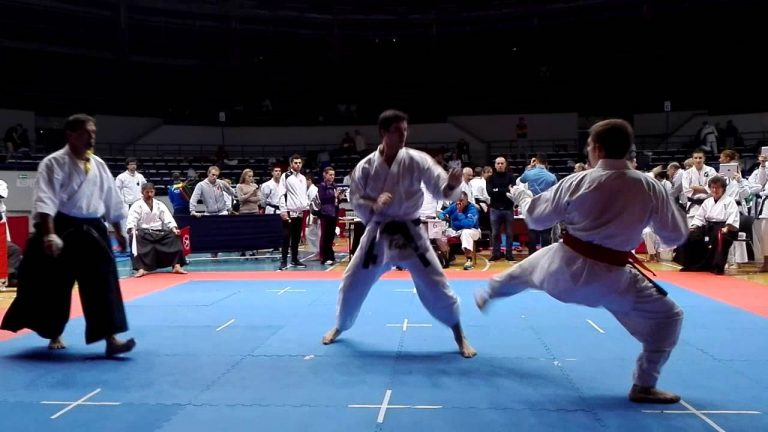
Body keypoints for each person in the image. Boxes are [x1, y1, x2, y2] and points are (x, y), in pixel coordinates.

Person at [475, 119, 687, 403]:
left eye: (588, 146)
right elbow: (673, 236)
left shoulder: (577, 181)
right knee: (669, 318)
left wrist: (524, 196)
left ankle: (490, 291)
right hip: (612, 282)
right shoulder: (650, 187)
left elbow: (537, 219)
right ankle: (644, 385)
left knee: (526, 270)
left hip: (562, 271)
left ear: (596, 149)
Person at [321, 109, 476, 358]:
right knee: (352, 282)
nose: (403, 135)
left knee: (436, 282)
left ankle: (459, 333)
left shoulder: (417, 159)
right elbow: (355, 198)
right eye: (397, 130)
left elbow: (440, 189)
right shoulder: (366, 166)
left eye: (405, 129)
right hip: (378, 233)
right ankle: (341, 325)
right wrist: (374, 204)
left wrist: (453, 184)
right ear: (383, 132)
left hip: (410, 232)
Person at [0, 114, 136, 357]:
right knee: (54, 285)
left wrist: (119, 230)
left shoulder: (99, 165)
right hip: (60, 226)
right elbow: (45, 201)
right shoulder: (53, 163)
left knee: (103, 282)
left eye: (93, 133)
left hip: (93, 228)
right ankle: (54, 333)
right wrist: (50, 236)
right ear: (70, 135)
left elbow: (111, 201)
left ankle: (110, 338)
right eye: (86, 133)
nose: (91, 138)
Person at [674, 176, 739, 275]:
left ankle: (717, 266)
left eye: (717, 188)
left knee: (720, 237)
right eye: (712, 187)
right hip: (708, 226)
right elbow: (700, 217)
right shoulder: (707, 201)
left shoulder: (730, 201)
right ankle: (693, 265)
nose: (714, 190)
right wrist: (694, 226)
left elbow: (733, 217)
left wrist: (727, 227)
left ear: (723, 189)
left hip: (725, 228)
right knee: (690, 236)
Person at [127, 182, 188, 277]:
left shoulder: (159, 204)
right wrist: (132, 229)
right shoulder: (137, 205)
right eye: (147, 192)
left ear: (154, 192)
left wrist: (174, 228)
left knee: (174, 235)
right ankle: (141, 269)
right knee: (135, 237)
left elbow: (168, 218)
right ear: (142, 192)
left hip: (159, 232)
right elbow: (132, 219)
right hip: (144, 233)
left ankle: (176, 266)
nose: (149, 194)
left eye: (151, 192)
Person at [518, 153, 558, 255]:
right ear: (546, 163)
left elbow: (521, 180)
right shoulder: (552, 177)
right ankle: (546, 256)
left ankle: (532, 256)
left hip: (532, 206)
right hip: (546, 207)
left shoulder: (529, 173)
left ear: (537, 161)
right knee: (545, 234)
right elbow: (555, 193)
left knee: (532, 233)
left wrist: (530, 167)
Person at [277, 155, 309, 270]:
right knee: (286, 236)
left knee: (296, 237)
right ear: (291, 164)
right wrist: (283, 210)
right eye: (295, 163)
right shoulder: (285, 176)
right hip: (289, 211)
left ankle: (295, 259)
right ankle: (283, 260)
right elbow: (281, 193)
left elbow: (304, 194)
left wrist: (306, 206)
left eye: (299, 163)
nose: (298, 165)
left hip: (300, 211)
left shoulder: (303, 178)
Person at [436, 191, 481, 270]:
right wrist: (443, 216)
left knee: (465, 233)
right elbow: (441, 214)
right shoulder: (454, 206)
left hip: (473, 231)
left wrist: (460, 213)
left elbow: (468, 225)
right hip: (456, 231)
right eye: (457, 200)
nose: (458, 203)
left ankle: (469, 260)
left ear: (466, 200)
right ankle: (445, 258)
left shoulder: (472, 209)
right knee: (439, 233)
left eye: (461, 200)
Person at [115, 157, 147, 239]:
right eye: (131, 164)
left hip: (139, 204)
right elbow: (116, 190)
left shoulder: (140, 176)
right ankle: (127, 245)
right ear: (127, 166)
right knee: (126, 225)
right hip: (126, 205)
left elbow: (145, 188)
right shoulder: (121, 177)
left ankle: (141, 244)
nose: (133, 166)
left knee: (140, 224)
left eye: (135, 164)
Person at [317, 167, 342, 265]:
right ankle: (324, 257)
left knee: (331, 236)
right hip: (326, 213)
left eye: (333, 175)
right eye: (330, 174)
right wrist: (334, 196)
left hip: (334, 212)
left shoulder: (334, 185)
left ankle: (331, 255)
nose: (332, 177)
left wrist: (339, 197)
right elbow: (322, 198)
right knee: (326, 235)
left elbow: (336, 200)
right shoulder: (322, 185)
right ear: (325, 175)